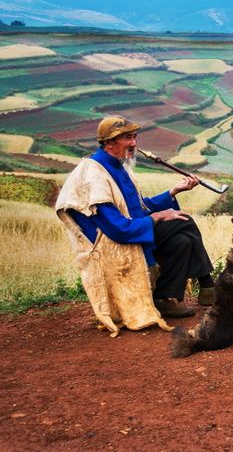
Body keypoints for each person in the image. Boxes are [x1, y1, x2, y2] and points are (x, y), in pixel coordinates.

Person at [55, 115, 217, 336]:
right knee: (185, 221)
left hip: (134, 230)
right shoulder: (95, 176)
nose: (133, 143)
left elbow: (139, 208)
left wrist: (174, 192)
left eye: (134, 137)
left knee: (182, 240)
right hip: (115, 243)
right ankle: (207, 283)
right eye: (127, 138)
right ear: (109, 143)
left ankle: (163, 299)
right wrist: (158, 217)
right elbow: (118, 229)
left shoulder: (119, 167)